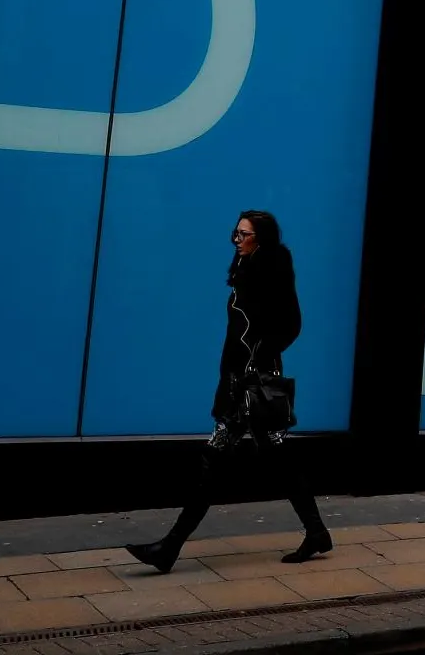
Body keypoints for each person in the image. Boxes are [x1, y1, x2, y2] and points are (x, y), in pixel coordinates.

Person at [126, 210, 333, 572]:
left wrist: (260, 355)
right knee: (274, 459)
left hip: (251, 385)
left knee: (215, 460)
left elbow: (291, 324)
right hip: (238, 379)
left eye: (244, 235)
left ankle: (169, 549)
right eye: (235, 234)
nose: (236, 240)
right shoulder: (245, 271)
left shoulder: (270, 272)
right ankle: (316, 532)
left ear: (261, 238)